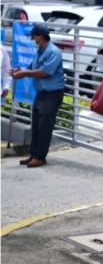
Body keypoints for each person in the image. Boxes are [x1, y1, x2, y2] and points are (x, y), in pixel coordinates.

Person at [12, 24, 65, 168]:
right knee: (35, 124)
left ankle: (40, 157)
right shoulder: (40, 50)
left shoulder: (54, 52)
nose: (32, 39)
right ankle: (34, 154)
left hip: (52, 94)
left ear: (40, 37)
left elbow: (45, 72)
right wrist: (20, 70)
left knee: (44, 126)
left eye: (34, 36)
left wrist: (24, 74)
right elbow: (33, 66)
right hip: (42, 93)